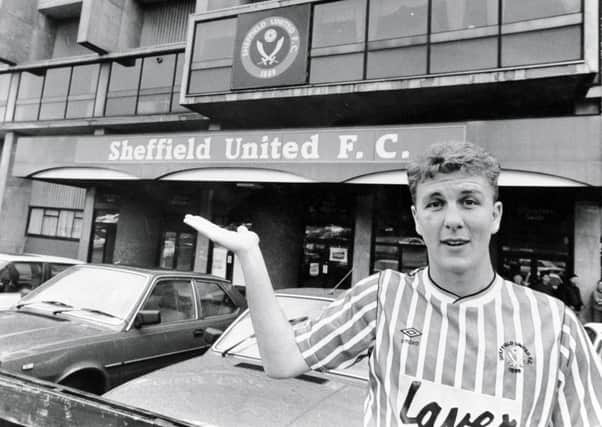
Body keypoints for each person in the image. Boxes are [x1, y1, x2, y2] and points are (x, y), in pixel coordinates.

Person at [184, 141, 602, 426]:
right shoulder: (383, 296)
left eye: (469, 201)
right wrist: (251, 255)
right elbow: (283, 361)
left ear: (495, 215)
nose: (453, 219)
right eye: (436, 204)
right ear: (418, 220)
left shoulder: (556, 324)